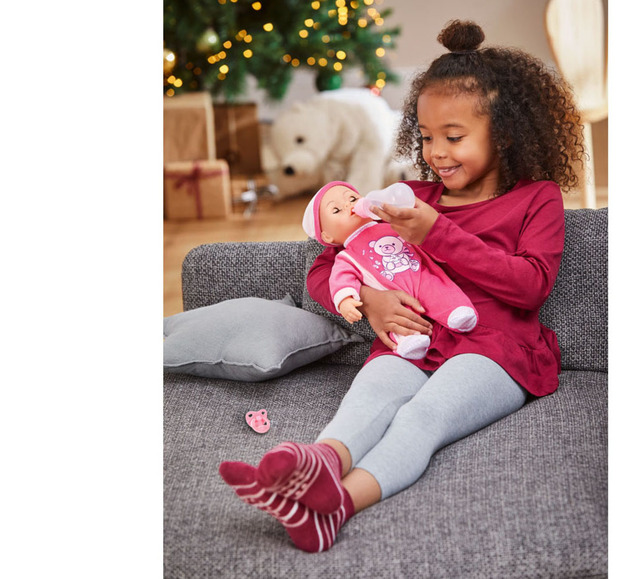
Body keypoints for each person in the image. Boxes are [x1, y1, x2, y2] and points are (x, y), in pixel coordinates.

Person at [218, 19, 585, 553]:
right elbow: (326, 266)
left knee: (420, 416)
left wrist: (438, 234)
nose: (436, 152)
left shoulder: (537, 198)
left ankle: (336, 508)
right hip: (414, 341)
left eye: (454, 138)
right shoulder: (410, 197)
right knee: (368, 395)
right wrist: (370, 301)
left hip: (498, 351)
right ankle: (316, 469)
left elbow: (530, 286)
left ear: (504, 132)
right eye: (427, 136)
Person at [300, 180, 478, 360]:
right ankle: (408, 341)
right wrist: (346, 300)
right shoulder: (345, 256)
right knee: (400, 317)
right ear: (327, 236)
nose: (349, 205)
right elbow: (341, 278)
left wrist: (439, 251)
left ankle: (456, 311)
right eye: (336, 210)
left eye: (353, 198)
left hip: (421, 275)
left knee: (437, 288)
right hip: (394, 295)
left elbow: (421, 240)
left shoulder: (393, 225)